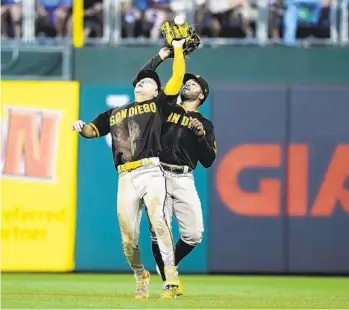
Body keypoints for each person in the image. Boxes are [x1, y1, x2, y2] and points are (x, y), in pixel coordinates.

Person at [72, 39, 186, 299]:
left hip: (151, 171)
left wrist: (175, 50)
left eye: (149, 82)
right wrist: (82, 128)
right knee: (128, 237)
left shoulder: (158, 105)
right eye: (140, 81)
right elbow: (92, 131)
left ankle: (170, 275)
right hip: (125, 176)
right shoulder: (114, 112)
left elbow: (177, 76)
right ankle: (140, 274)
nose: (142, 82)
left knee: (159, 220)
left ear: (157, 91)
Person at [138, 47, 217, 296]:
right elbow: (144, 75)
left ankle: (172, 266)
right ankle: (168, 279)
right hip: (158, 174)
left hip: (183, 177)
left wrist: (201, 136)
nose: (188, 84)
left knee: (194, 234)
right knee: (157, 231)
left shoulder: (205, 124)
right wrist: (165, 55)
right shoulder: (166, 108)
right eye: (187, 81)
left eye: (193, 84)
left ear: (202, 94)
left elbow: (208, 160)